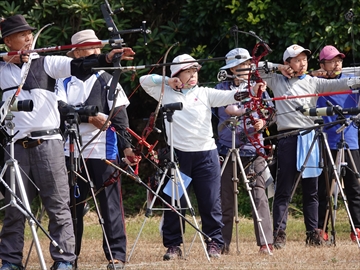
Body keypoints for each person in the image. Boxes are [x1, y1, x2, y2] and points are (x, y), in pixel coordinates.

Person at [0, 15, 134, 270]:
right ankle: (10, 260)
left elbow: (80, 65)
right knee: (14, 208)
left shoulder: (48, 63)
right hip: (16, 146)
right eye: (21, 34)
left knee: (59, 205)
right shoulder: (2, 69)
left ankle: (64, 260)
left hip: (48, 144)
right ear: (8, 41)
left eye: (30, 33)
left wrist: (106, 59)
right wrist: (5, 58)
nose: (28, 38)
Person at [139, 54, 244, 260]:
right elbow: (144, 81)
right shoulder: (166, 92)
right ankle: (173, 245)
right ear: (177, 74)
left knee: (211, 201)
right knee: (174, 202)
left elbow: (233, 95)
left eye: (195, 71)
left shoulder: (205, 93)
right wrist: (167, 81)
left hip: (206, 155)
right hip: (177, 156)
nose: (193, 75)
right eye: (188, 71)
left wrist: (253, 89)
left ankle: (214, 242)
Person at [258, 44, 360, 249]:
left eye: (304, 59)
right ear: (288, 63)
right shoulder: (277, 81)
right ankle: (279, 234)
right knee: (284, 189)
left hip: (311, 138)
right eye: (296, 60)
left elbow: (345, 83)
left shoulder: (313, 82)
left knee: (311, 190)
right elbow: (257, 67)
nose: (302, 63)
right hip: (288, 137)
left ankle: (313, 233)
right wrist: (279, 68)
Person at [55, 29, 138, 270]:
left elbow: (119, 116)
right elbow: (60, 108)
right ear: (78, 53)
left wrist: (128, 147)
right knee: (72, 204)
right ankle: (69, 257)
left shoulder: (107, 78)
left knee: (110, 202)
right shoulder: (62, 79)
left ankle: (116, 255)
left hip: (105, 148)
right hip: (71, 148)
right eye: (90, 49)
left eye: (97, 49)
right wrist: (90, 117)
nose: (97, 53)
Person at [215, 48, 274, 254]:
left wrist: (262, 121)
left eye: (249, 65)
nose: (247, 69)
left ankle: (266, 243)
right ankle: (222, 244)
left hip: (253, 147)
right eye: (241, 67)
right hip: (226, 147)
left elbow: (270, 111)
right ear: (231, 69)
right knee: (225, 197)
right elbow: (228, 109)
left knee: (259, 195)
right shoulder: (221, 88)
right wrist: (248, 104)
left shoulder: (259, 87)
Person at [311, 45, 360, 243]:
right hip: (326, 140)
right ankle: (323, 228)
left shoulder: (351, 81)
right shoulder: (317, 83)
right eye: (331, 60)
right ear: (322, 64)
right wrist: (315, 74)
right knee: (326, 189)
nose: (337, 63)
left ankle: (356, 227)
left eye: (339, 59)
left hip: (351, 141)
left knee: (354, 187)